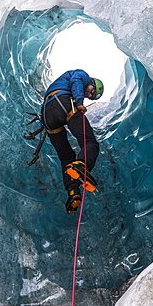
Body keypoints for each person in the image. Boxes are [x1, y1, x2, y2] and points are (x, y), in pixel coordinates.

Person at [41, 69, 104, 214]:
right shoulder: (83, 75)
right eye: (91, 91)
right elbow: (76, 80)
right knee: (90, 142)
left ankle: (73, 192)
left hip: (47, 114)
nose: (89, 95)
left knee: (66, 157)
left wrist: (45, 122)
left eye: (91, 97)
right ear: (91, 82)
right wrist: (79, 101)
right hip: (63, 102)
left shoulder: (66, 86)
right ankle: (82, 165)